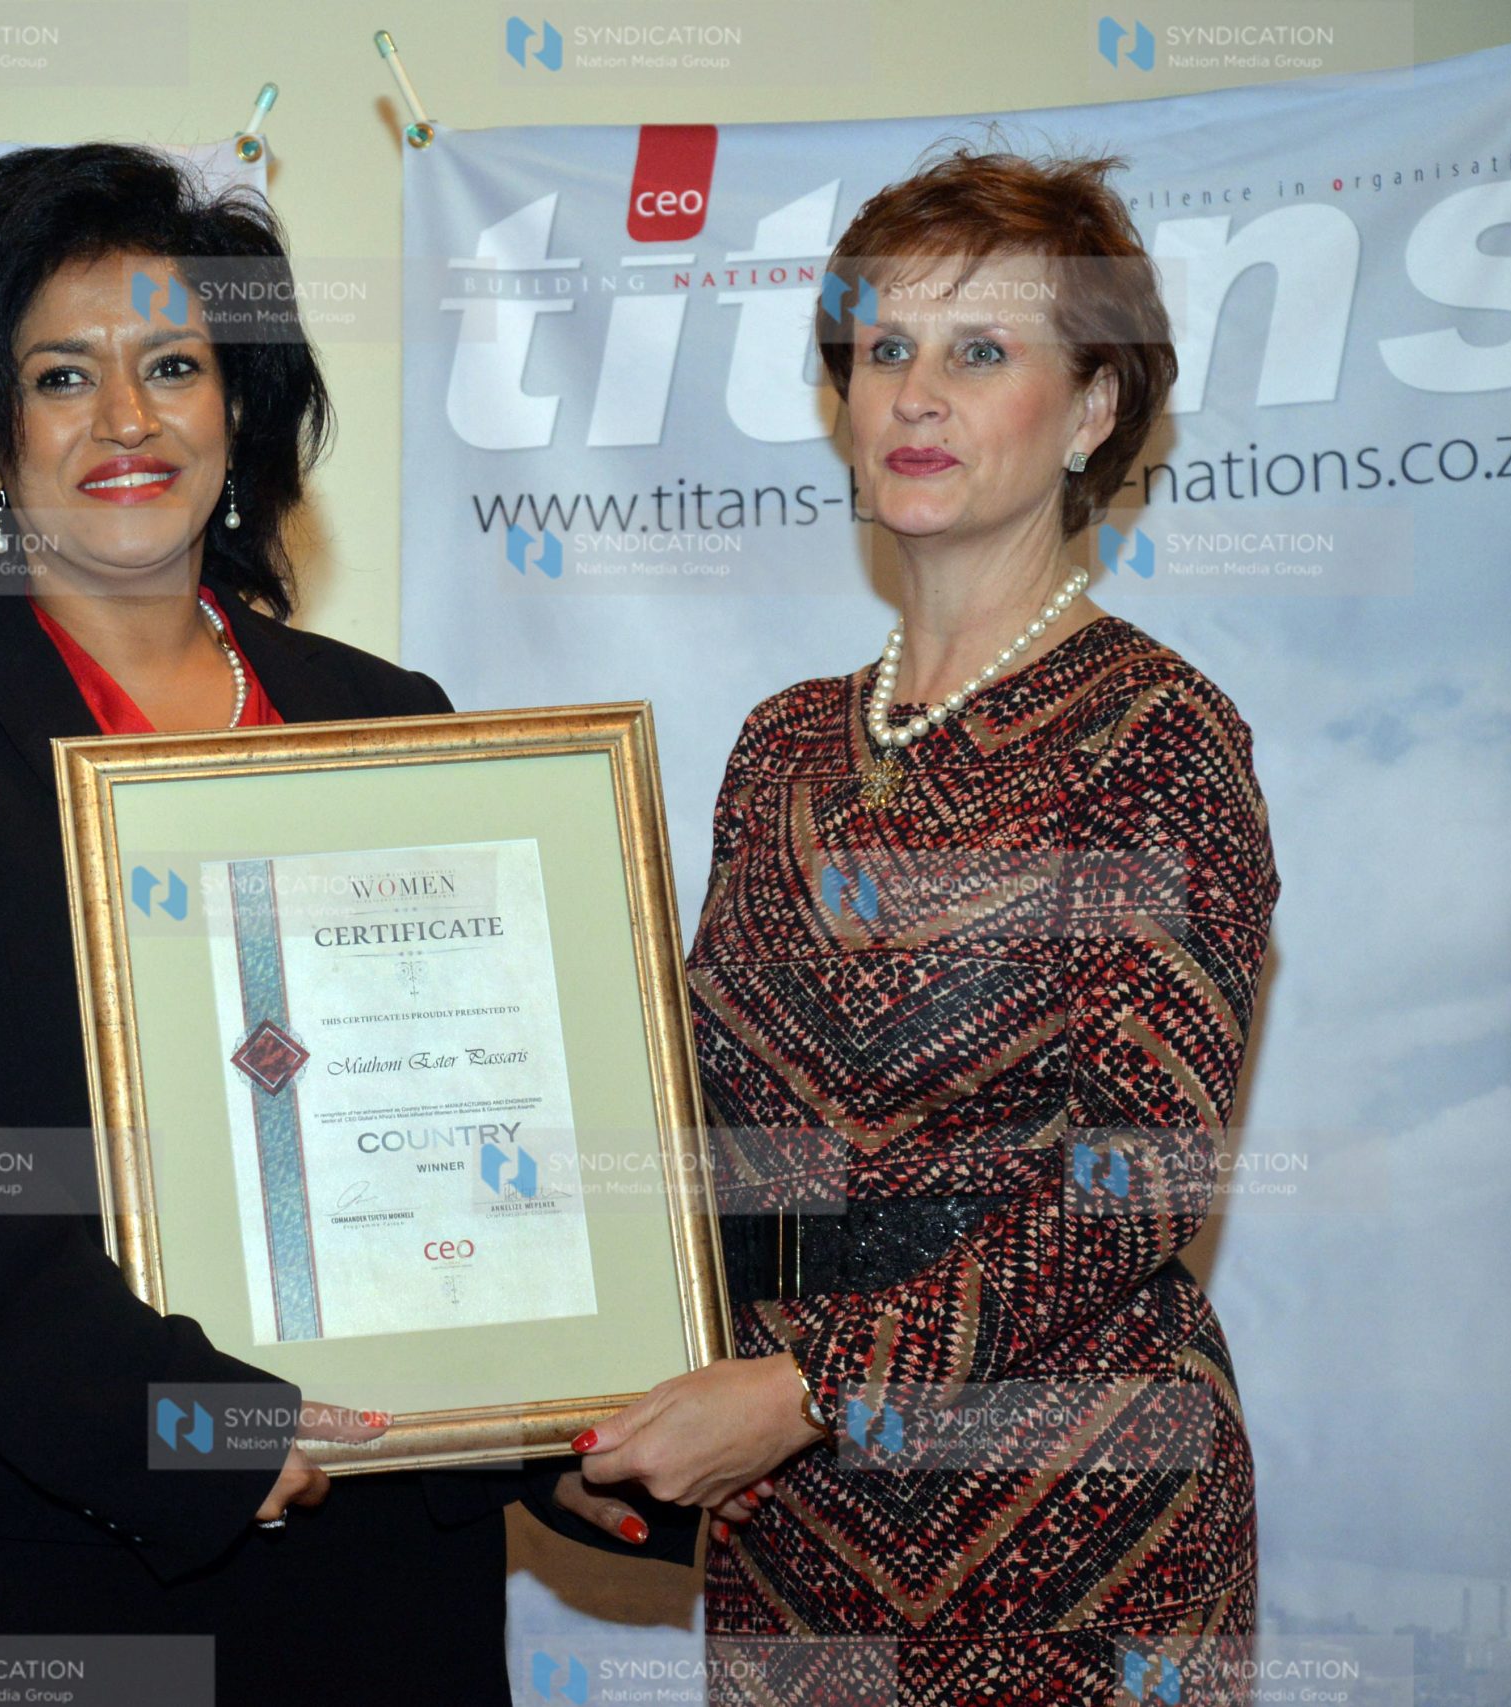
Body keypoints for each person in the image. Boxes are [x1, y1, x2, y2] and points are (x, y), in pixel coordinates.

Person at [0, 142, 545, 1706]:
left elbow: (479, 1109)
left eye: (174, 365)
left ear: (238, 411)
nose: (127, 420)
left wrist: (554, 1410)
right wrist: (179, 1421)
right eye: (63, 376)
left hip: (381, 1530)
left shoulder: (389, 721)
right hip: (22, 1539)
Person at [566, 145, 1281, 1703]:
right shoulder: (783, 748)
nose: (916, 395)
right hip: (794, 1523)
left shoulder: (1159, 735)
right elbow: (704, 1128)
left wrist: (811, 1384)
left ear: (1093, 410)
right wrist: (586, 1372)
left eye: (980, 351)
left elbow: (1142, 1180)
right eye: (884, 349)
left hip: (1078, 1524)